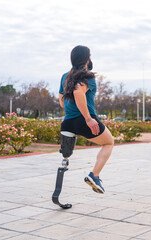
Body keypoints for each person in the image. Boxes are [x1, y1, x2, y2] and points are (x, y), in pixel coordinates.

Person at [58, 45, 114, 194]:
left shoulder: (65, 76)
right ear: (86, 59)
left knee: (66, 155)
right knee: (109, 143)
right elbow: (78, 92)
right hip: (84, 121)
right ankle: (94, 176)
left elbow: (61, 101)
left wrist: (72, 111)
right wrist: (88, 119)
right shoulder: (88, 76)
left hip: (68, 123)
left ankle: (58, 189)